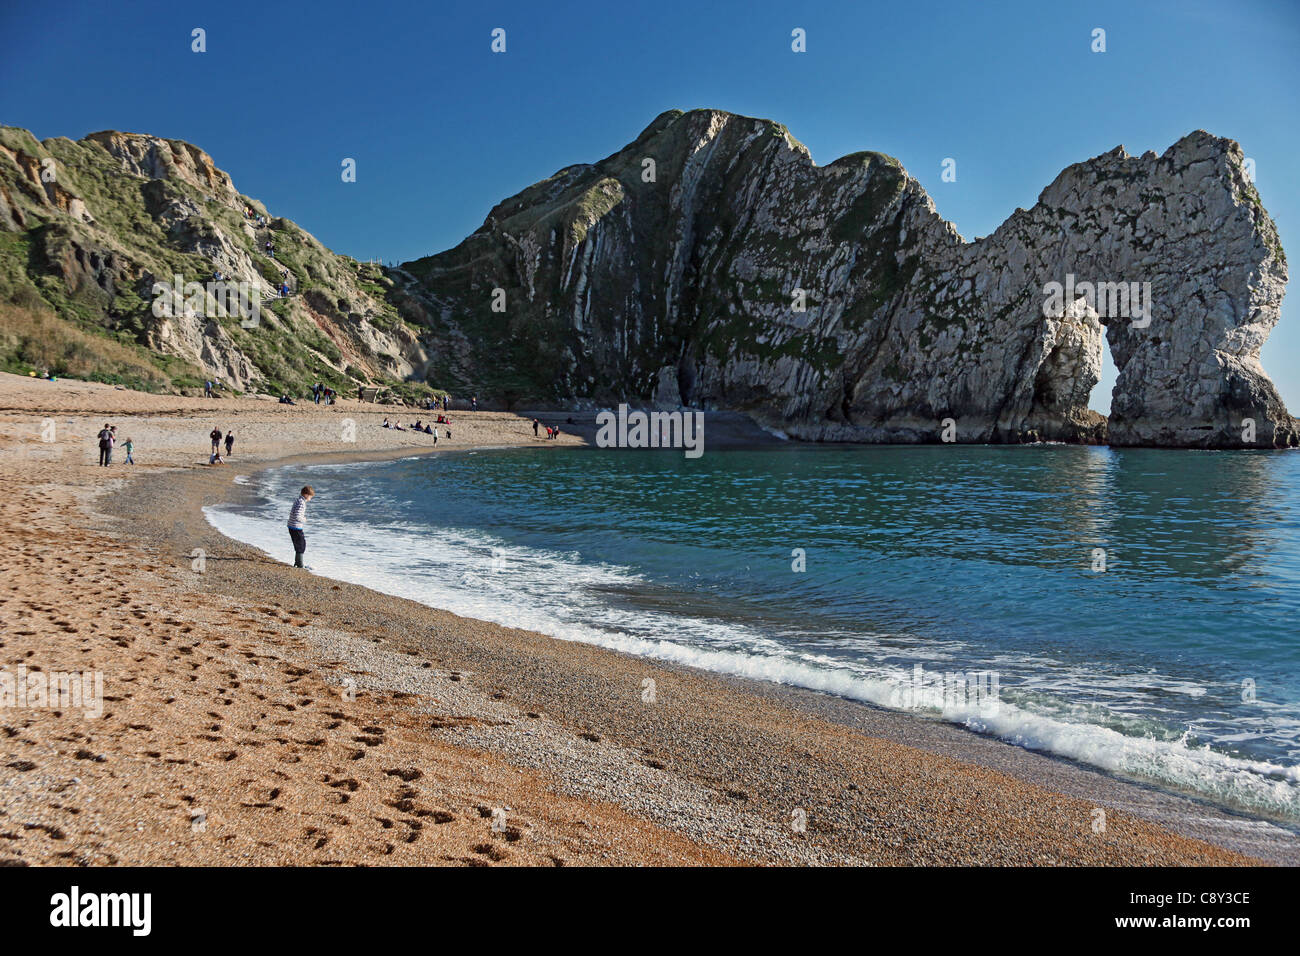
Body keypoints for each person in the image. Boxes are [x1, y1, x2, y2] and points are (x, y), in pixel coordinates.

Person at [288, 486, 314, 568]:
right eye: (310, 496)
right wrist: (303, 520)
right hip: (296, 527)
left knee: (299, 544)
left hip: (291, 525)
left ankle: (297, 562)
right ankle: (300, 564)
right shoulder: (301, 503)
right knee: (301, 545)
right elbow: (297, 515)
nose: (310, 498)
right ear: (306, 495)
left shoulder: (298, 500)